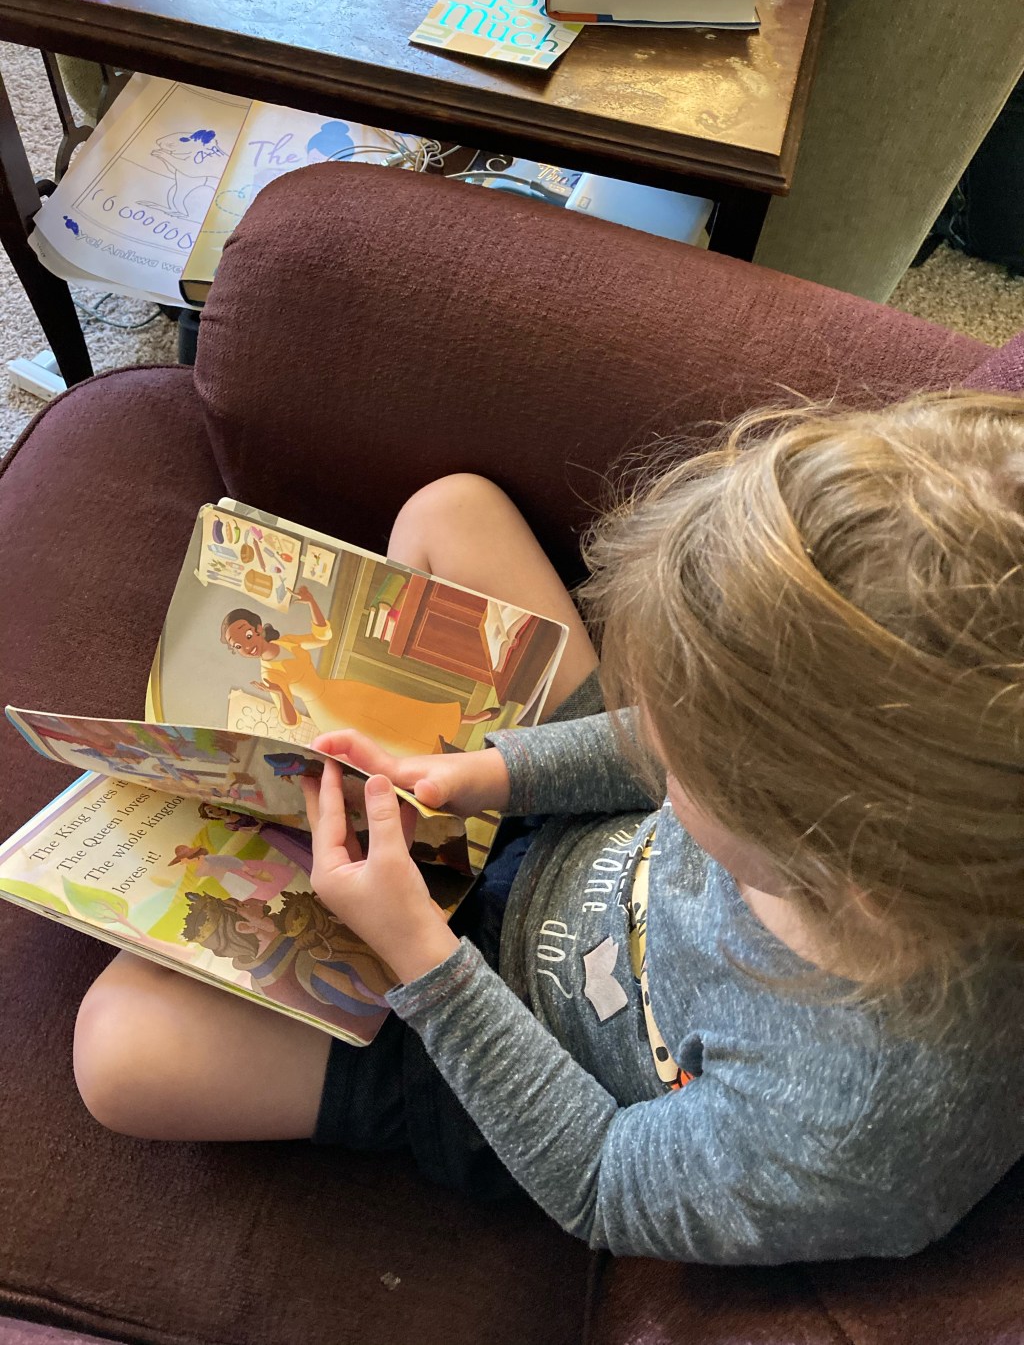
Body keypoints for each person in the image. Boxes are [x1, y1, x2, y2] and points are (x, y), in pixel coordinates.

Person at [72, 394, 1024, 1263]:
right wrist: (483, 772)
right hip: (591, 827)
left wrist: (420, 951)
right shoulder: (884, 804)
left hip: (520, 1034)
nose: (660, 743)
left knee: (117, 1053)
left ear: (841, 865)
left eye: (686, 754)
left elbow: (601, 1178)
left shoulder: (856, 1125)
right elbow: (654, 747)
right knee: (453, 511)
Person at [220, 584, 499, 755]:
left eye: (245, 636)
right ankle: (452, 758)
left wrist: (312, 603)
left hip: (340, 691)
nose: (246, 647)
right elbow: (290, 721)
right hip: (330, 712)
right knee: (389, 736)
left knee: (400, 709)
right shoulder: (269, 674)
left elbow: (322, 637)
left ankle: (468, 719)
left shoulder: (286, 642)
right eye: (237, 646)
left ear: (257, 628)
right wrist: (279, 693)